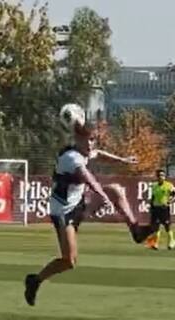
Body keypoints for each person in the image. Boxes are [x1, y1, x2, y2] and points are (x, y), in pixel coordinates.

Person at [23, 121, 154, 306]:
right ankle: (35, 280)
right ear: (77, 139)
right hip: (63, 212)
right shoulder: (71, 157)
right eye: (88, 140)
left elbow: (99, 154)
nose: (91, 144)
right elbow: (88, 178)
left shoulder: (84, 152)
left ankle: (136, 231)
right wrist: (102, 195)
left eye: (93, 139)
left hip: (79, 204)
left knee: (116, 190)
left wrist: (123, 160)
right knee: (69, 261)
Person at [145, 169, 175, 250]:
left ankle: (171, 242)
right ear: (157, 177)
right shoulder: (154, 185)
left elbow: (174, 194)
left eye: (163, 175)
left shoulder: (169, 185)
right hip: (156, 208)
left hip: (164, 208)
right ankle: (155, 244)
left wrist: (169, 201)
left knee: (167, 226)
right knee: (156, 227)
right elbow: (153, 197)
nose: (161, 177)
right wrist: (151, 206)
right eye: (159, 175)